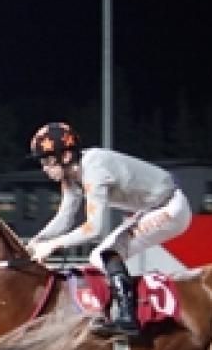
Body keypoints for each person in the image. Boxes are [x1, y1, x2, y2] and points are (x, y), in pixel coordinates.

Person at [25, 122, 192, 338]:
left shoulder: (94, 170)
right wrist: (35, 243)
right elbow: (65, 217)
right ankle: (122, 311)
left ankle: (128, 317)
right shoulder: (71, 175)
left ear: (66, 156)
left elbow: (94, 229)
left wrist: (52, 245)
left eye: (48, 160)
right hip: (154, 207)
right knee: (98, 257)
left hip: (170, 208)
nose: (44, 168)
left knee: (105, 253)